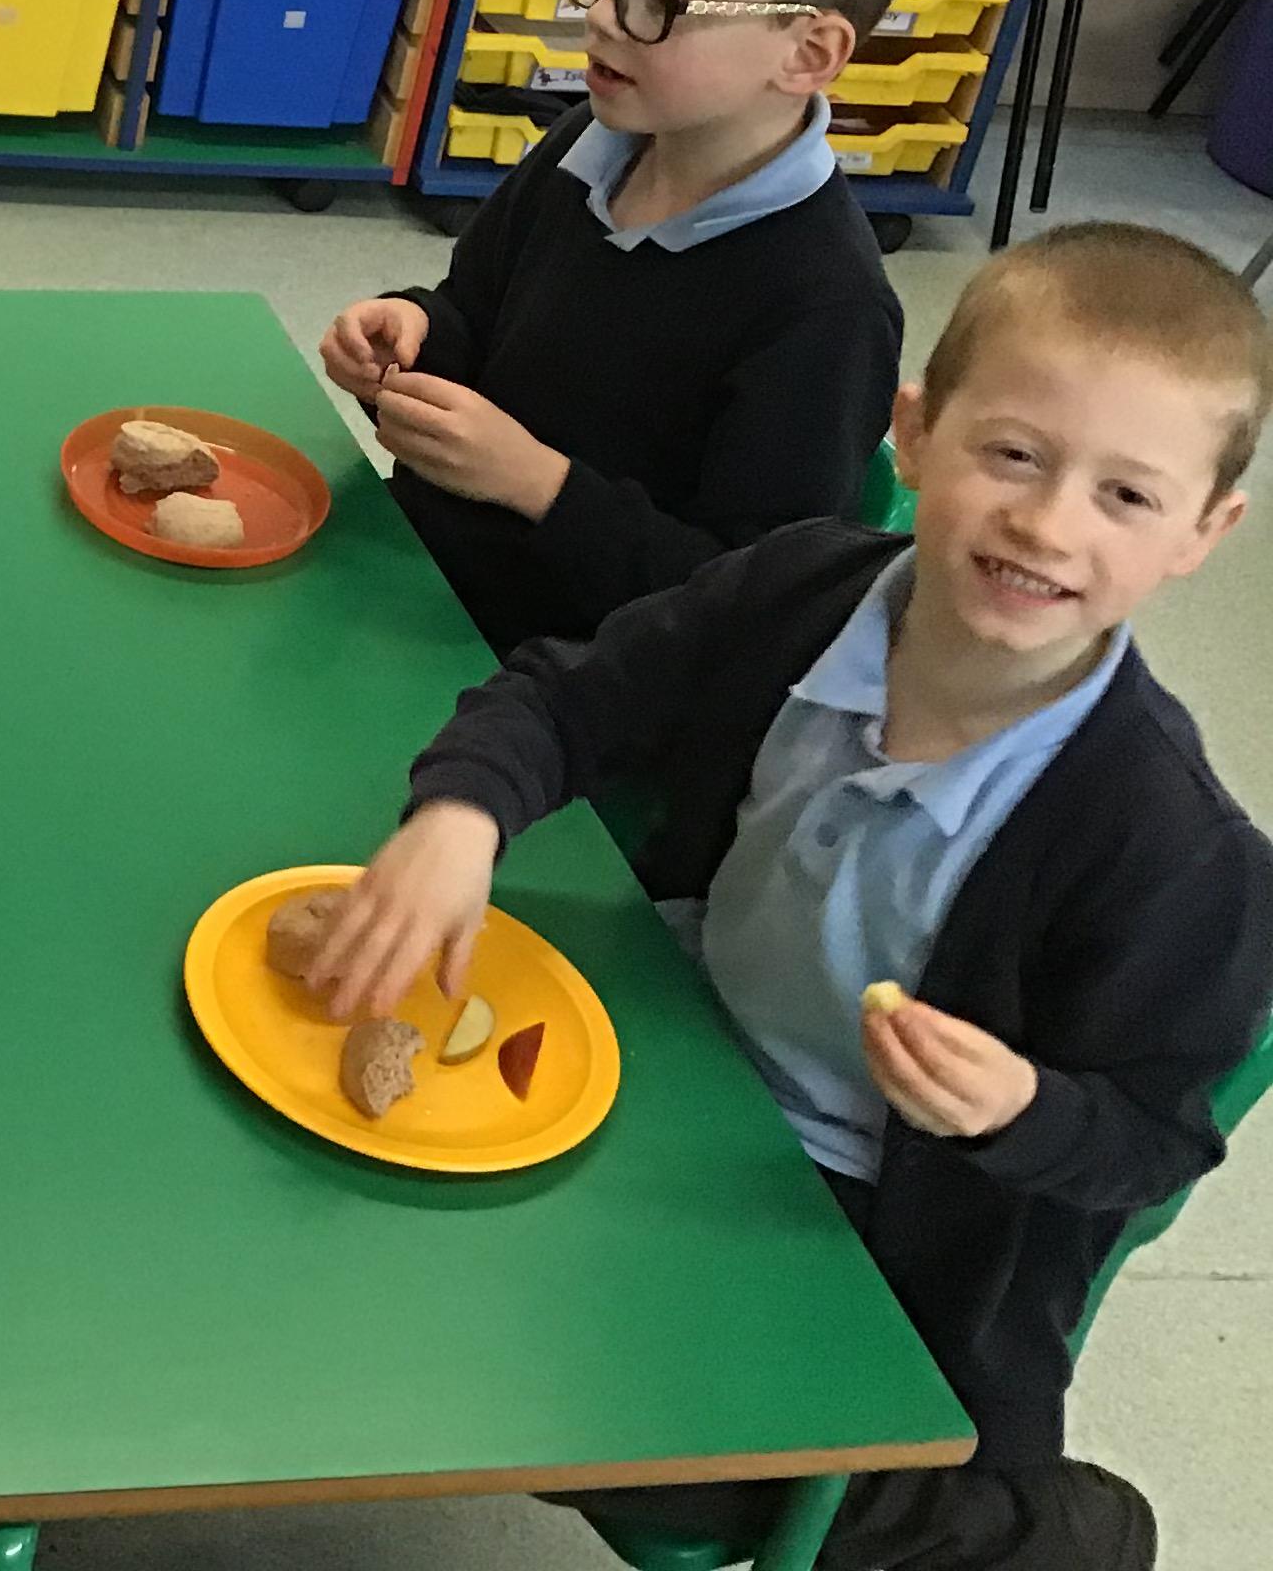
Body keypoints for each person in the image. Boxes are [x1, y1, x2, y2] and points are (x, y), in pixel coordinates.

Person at [316, 225, 1273, 1569]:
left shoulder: (1171, 850)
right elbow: (571, 694)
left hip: (867, 1230)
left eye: (1126, 495)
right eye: (1013, 454)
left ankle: (1035, 1527)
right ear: (917, 436)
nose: (1049, 524)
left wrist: (1019, 1107)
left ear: (1204, 533)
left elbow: (1153, 1145)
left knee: (633, 1449)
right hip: (673, 1056)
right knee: (381, 1240)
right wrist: (463, 815)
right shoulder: (801, 586)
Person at [319, 0, 914, 652]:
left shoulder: (827, 307)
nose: (601, 16)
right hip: (418, 571)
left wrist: (539, 486)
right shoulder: (587, 144)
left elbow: (753, 608)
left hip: (565, 675)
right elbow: (475, 319)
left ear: (808, 54)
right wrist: (407, 334)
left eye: (660, 0)